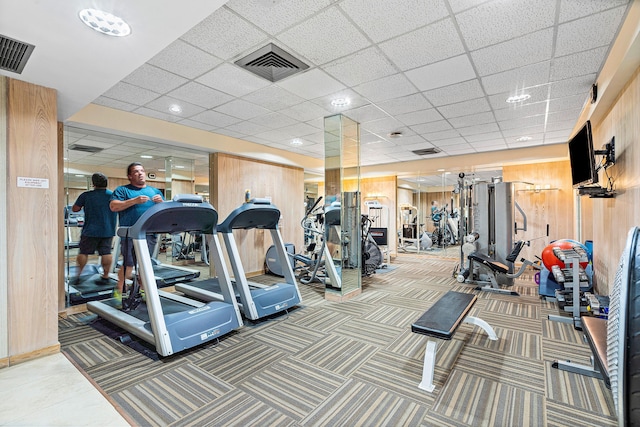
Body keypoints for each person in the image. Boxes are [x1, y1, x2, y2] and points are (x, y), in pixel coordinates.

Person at [110, 162, 164, 304]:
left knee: (145, 264)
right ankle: (120, 288)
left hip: (149, 233)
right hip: (130, 234)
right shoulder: (122, 190)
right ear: (129, 176)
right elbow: (114, 206)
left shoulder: (155, 191)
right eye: (136, 171)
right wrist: (134, 201)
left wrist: (162, 204)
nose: (140, 173)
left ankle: (142, 289)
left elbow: (163, 211)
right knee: (128, 264)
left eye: (142, 171)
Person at [71, 172, 117, 285]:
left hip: (90, 230)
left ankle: (78, 276)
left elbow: (75, 209)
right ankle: (105, 276)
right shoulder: (113, 195)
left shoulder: (86, 195)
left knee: (83, 252)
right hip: (107, 230)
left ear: (93, 183)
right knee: (106, 252)